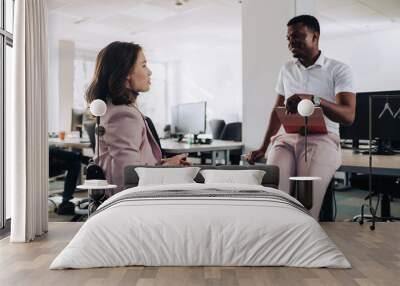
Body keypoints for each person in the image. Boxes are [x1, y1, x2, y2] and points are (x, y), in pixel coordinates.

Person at [247, 15, 356, 219]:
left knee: (306, 206)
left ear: (315, 37)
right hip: (287, 139)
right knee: (275, 198)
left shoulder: (338, 69)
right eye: (288, 38)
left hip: (323, 139)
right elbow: (277, 109)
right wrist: (263, 147)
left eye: (297, 36)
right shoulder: (287, 69)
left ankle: (304, 245)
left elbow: (348, 115)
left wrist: (314, 100)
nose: (291, 43)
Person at [85, 41, 189, 193]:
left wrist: (166, 163)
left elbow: (134, 165)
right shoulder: (122, 115)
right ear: (126, 73)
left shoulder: (117, 109)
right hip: (129, 203)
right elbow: (129, 178)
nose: (150, 72)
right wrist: (168, 168)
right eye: (144, 65)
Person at [49, 147, 82, 215]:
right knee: (75, 161)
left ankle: (66, 201)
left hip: (46, 161)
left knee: (75, 161)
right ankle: (66, 201)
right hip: (44, 163)